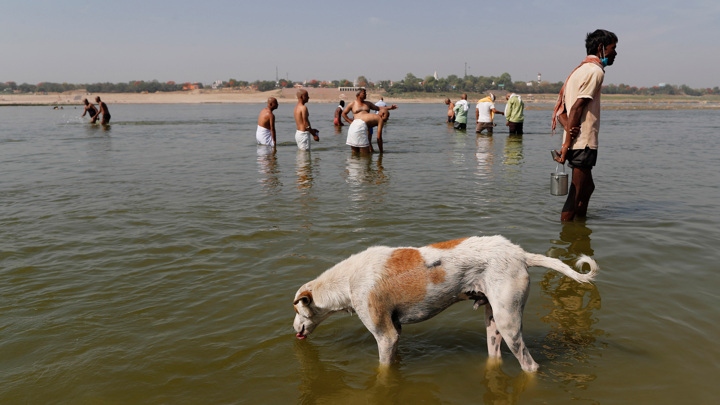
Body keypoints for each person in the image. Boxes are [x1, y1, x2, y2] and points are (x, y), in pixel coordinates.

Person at [552, 29, 618, 221]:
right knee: (577, 192)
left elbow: (561, 111)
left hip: (576, 140)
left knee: (588, 188)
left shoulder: (577, 71)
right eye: (613, 48)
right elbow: (576, 109)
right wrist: (566, 145)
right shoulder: (595, 71)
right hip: (583, 142)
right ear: (601, 49)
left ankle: (580, 231)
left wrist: (568, 132)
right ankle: (566, 236)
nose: (615, 53)